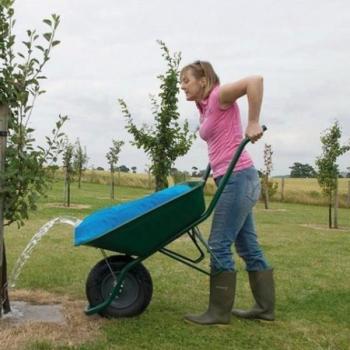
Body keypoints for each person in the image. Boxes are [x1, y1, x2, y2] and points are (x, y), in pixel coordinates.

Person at [180, 60, 275, 326]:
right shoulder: (205, 106)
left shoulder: (219, 95)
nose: (182, 87)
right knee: (248, 245)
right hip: (234, 179)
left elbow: (255, 80)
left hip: (238, 179)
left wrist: (253, 121)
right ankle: (265, 308)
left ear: (203, 79)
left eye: (186, 80)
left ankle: (218, 312)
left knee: (219, 243)